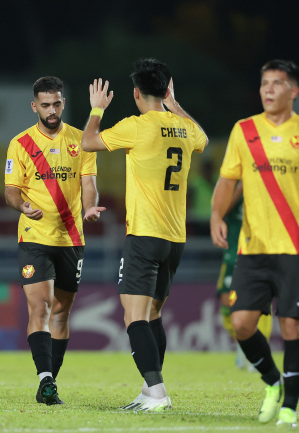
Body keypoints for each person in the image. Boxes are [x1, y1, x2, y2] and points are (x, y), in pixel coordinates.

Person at [211, 60, 299, 427]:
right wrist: (216, 215)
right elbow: (226, 180)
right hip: (252, 249)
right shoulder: (244, 130)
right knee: (241, 324)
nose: (268, 89)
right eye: (264, 83)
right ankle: (273, 382)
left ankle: (289, 409)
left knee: (292, 328)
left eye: (277, 83)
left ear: (293, 91)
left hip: (295, 249)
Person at [82, 58, 208, 412]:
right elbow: (204, 138)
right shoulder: (183, 128)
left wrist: (96, 108)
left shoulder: (137, 126)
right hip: (175, 239)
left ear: (136, 93)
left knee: (133, 316)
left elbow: (88, 142)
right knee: (152, 314)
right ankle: (149, 387)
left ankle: (156, 392)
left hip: (144, 234)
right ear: (166, 90)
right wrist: (175, 104)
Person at [5, 76, 105, 405]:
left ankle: (50, 383)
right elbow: (11, 190)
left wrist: (90, 206)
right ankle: (45, 377)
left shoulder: (81, 140)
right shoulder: (20, 143)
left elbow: (88, 182)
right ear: (35, 106)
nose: (51, 110)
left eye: (57, 104)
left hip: (72, 238)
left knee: (61, 313)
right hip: (34, 237)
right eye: (45, 105)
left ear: (63, 103)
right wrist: (22, 205)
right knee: (41, 306)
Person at [216, 182, 273, 370]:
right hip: (233, 253)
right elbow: (218, 212)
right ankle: (244, 344)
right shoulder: (229, 185)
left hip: (259, 253)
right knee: (226, 304)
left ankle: (258, 352)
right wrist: (240, 188)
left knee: (261, 303)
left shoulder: (265, 187)